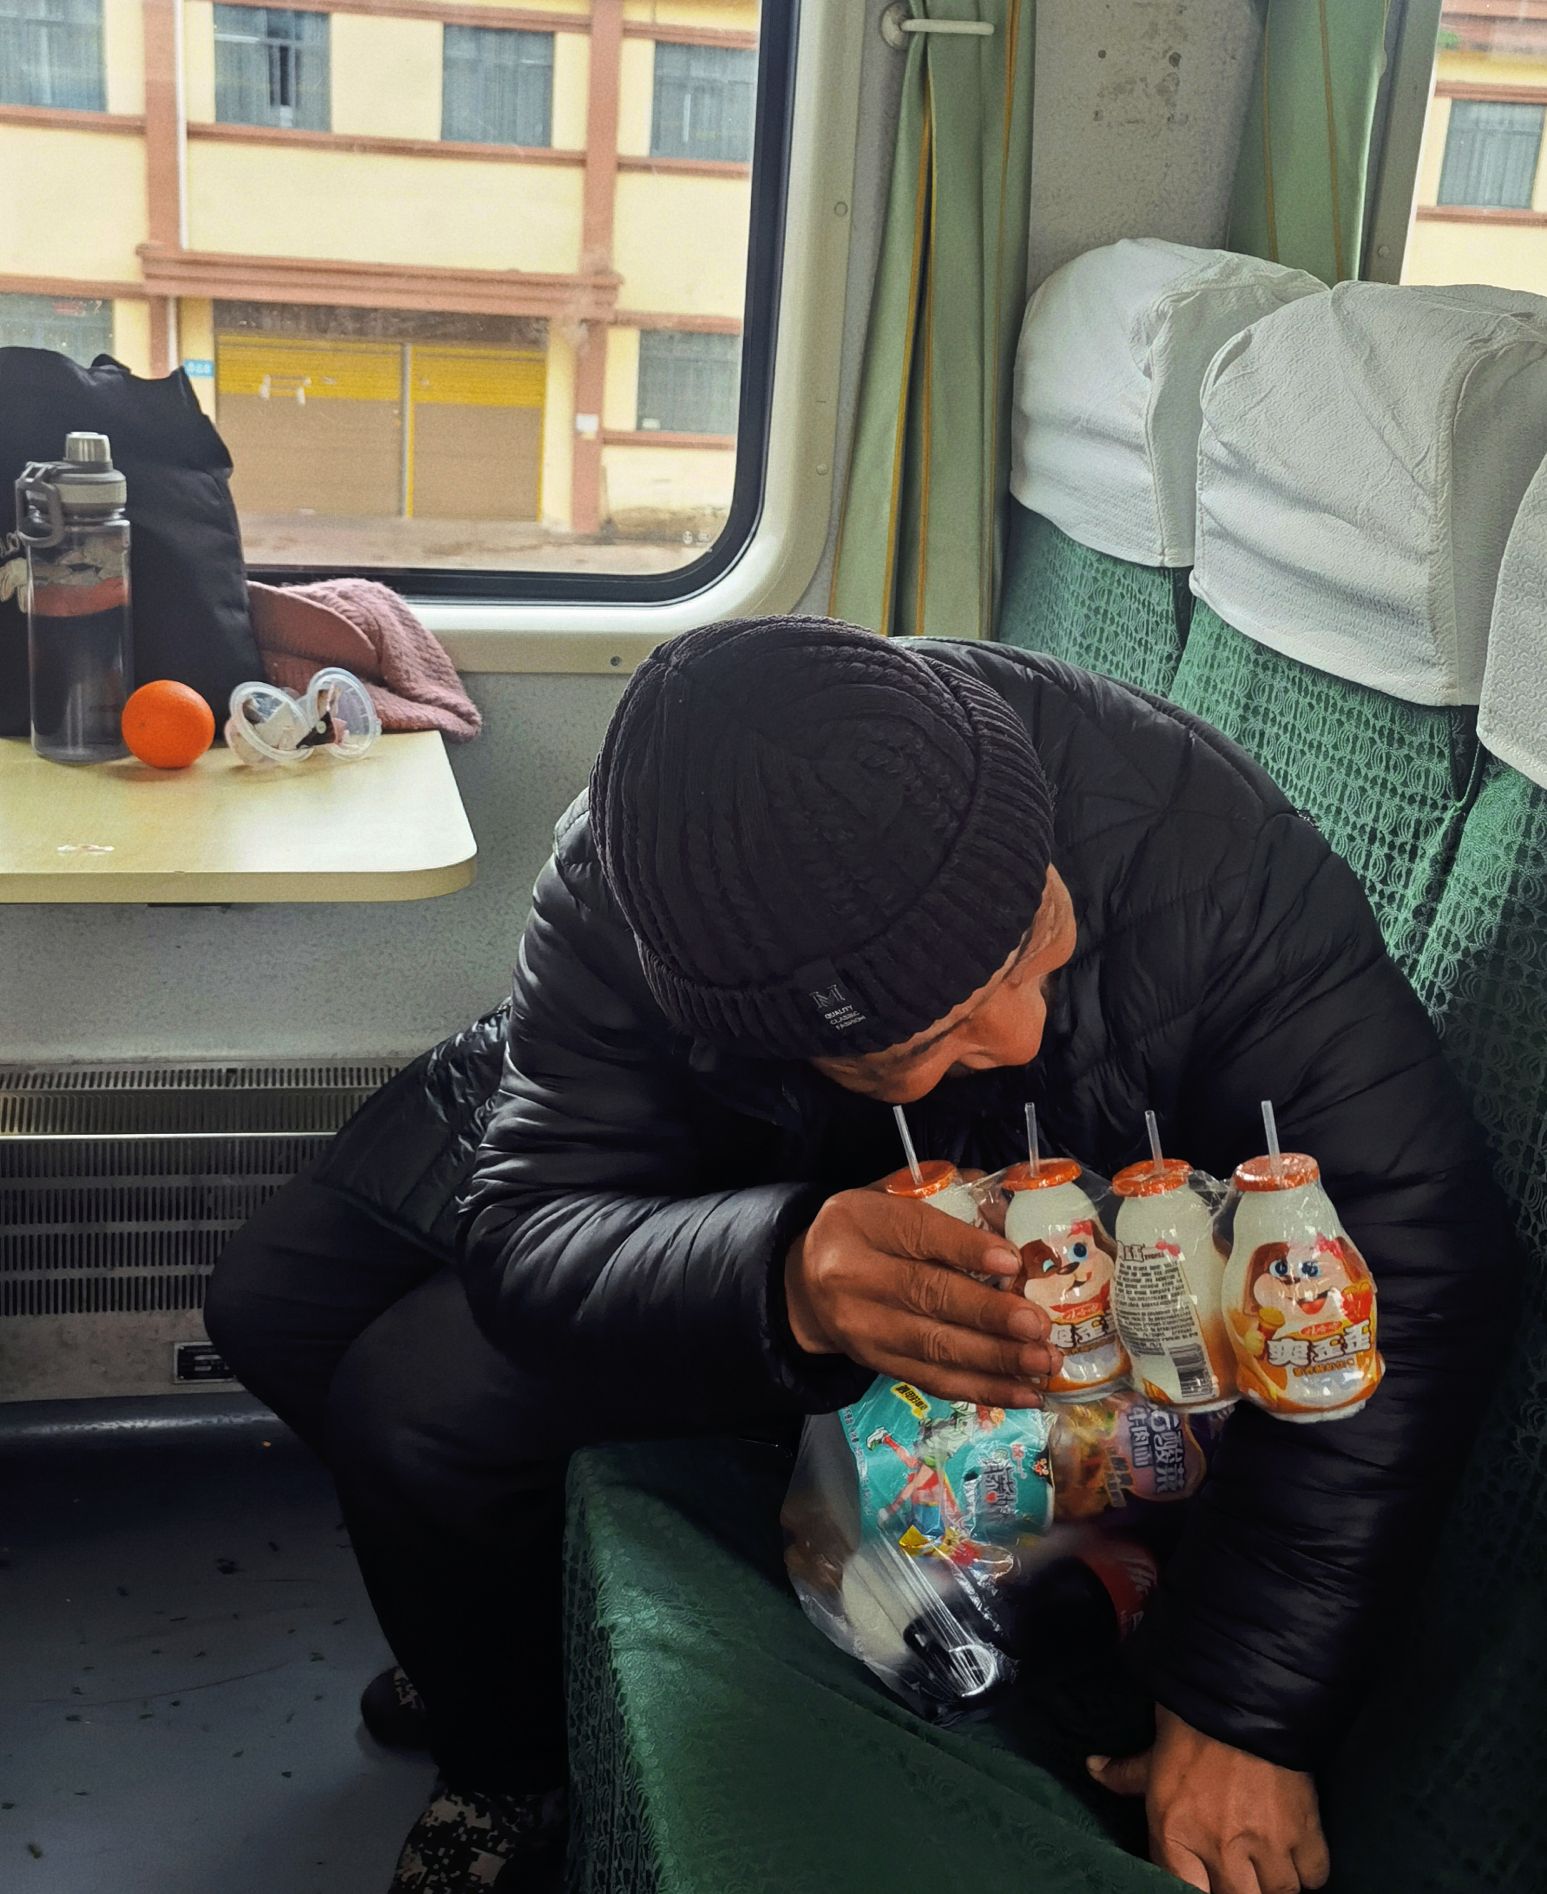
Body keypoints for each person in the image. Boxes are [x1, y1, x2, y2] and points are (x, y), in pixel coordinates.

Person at [206, 617, 1517, 1894]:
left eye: (1034, 937)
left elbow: (1413, 1245)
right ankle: (497, 1638)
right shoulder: (627, 886)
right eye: (927, 1039)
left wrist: (1245, 1703)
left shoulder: (1197, 850)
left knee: (412, 1409)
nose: (1022, 1034)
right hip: (739, 1181)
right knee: (272, 1308)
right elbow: (538, 1220)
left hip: (1048, 1250)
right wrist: (784, 1278)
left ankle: (509, 1759)